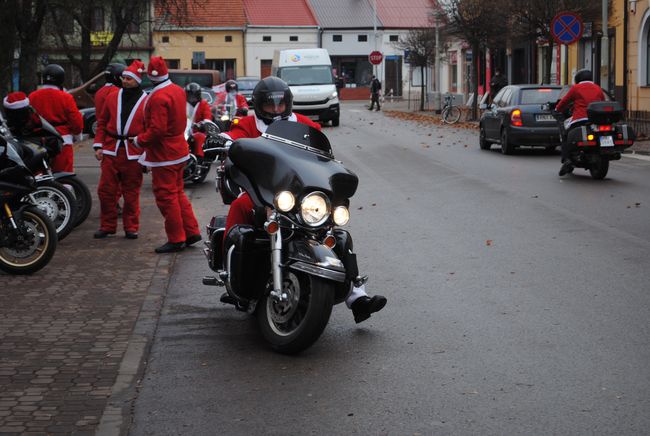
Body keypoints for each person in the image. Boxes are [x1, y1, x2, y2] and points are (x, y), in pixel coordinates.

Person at [221, 76, 387, 324]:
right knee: (239, 205)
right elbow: (233, 139)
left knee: (333, 229)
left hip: (298, 193)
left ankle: (356, 296)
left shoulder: (303, 124)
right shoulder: (247, 124)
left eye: (280, 104)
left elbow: (322, 154)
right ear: (258, 105)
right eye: (269, 105)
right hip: (262, 190)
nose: (276, 110)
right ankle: (230, 273)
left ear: (288, 103)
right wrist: (223, 140)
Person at [134, 56, 201, 253]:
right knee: (177, 193)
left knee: (166, 196)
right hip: (178, 149)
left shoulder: (158, 97)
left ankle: (176, 237)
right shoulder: (177, 90)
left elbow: (157, 130)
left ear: (149, 75)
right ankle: (190, 231)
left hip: (164, 154)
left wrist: (139, 140)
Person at [93, 60, 147, 240]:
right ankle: (107, 226)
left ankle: (131, 227)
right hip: (110, 149)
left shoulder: (146, 101)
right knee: (105, 191)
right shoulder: (112, 97)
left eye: (129, 79)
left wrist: (147, 156)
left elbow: (149, 130)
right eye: (123, 78)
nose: (124, 81)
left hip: (133, 152)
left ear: (137, 81)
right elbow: (102, 123)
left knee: (131, 192)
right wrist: (98, 145)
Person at [28, 64, 84, 173]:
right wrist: (77, 135)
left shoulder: (32, 96)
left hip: (39, 141)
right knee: (64, 177)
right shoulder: (66, 97)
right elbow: (76, 121)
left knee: (39, 176)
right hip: (62, 140)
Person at [556, 69, 606, 176]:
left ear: (578, 78)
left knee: (566, 135)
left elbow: (565, 101)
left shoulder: (576, 88)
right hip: (597, 120)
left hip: (580, 119)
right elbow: (603, 102)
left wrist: (557, 109)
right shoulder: (598, 88)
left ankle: (567, 160)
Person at [185, 82, 212, 159]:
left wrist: (203, 124)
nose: (192, 97)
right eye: (190, 95)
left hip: (197, 130)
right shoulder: (182, 103)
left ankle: (199, 157)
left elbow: (207, 117)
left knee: (199, 137)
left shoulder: (203, 104)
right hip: (183, 130)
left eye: (194, 95)